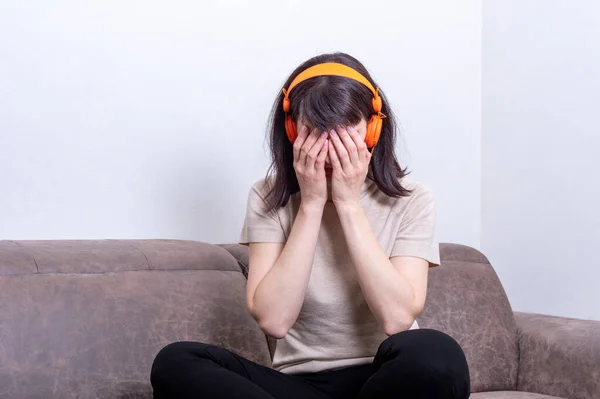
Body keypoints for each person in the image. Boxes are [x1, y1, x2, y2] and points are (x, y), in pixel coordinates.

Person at [150, 52, 470, 399]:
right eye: (315, 132)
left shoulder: (412, 199)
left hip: (387, 380)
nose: (331, 148)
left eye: (348, 130)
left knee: (437, 353)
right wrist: (313, 203)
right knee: (176, 361)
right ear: (291, 130)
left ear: (373, 129)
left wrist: (348, 204)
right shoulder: (267, 197)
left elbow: (396, 319)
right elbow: (274, 320)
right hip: (302, 386)